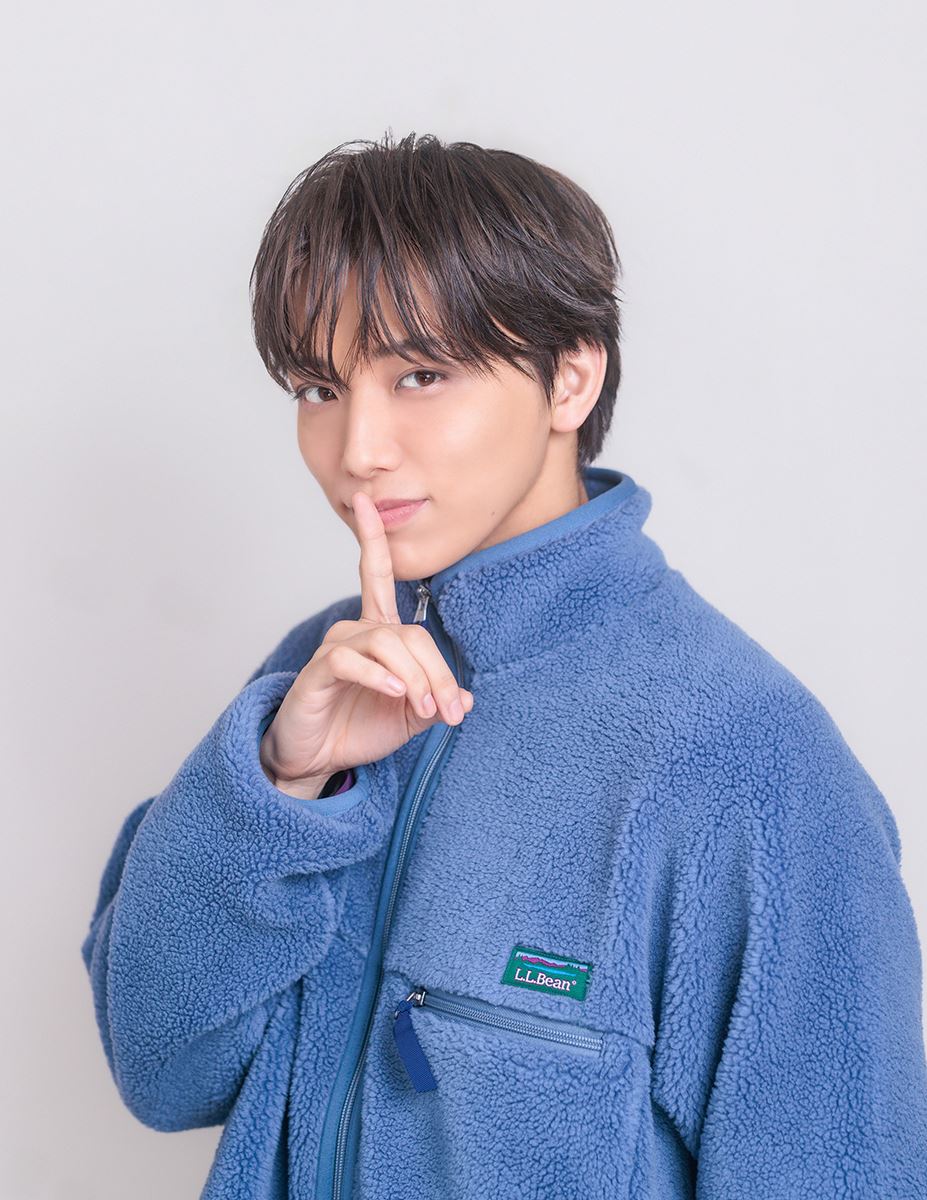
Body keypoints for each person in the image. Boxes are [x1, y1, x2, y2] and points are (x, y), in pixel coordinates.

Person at [81, 132, 927, 1199]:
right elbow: (162, 1074)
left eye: (421, 375)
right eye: (317, 388)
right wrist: (280, 780)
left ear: (570, 377)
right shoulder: (315, 679)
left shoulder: (748, 757)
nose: (357, 450)